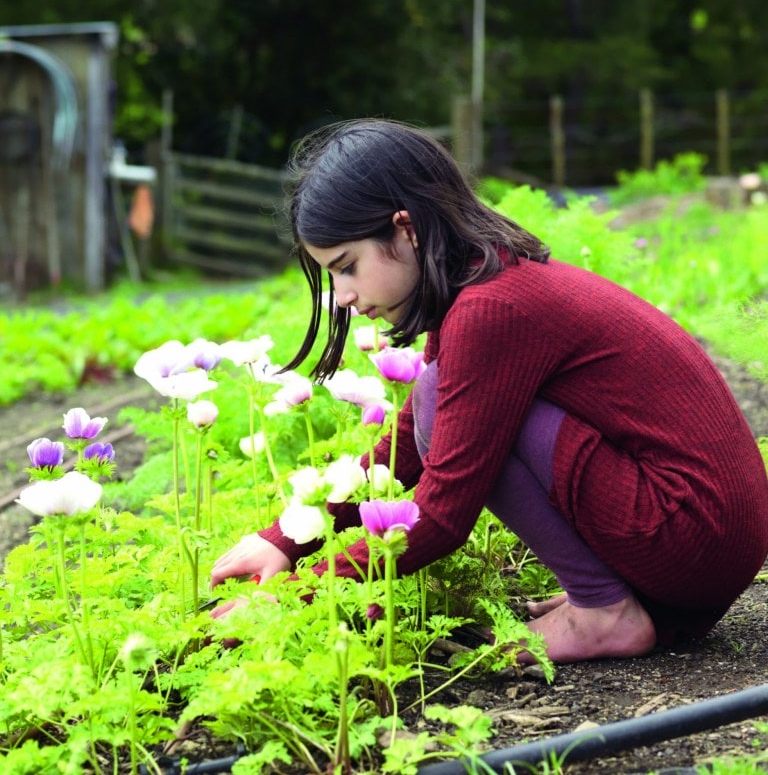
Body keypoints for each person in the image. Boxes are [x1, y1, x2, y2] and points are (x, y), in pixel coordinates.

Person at [210, 118, 768, 663]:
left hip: (695, 535)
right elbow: (404, 446)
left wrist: (284, 601)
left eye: (347, 266)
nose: (343, 296)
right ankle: (610, 596)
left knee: (442, 404)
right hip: (709, 537)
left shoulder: (491, 309)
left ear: (406, 229)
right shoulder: (483, 280)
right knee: (434, 400)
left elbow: (443, 514)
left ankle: (603, 612)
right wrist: (286, 540)